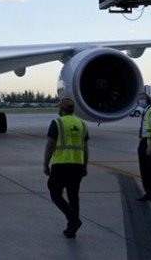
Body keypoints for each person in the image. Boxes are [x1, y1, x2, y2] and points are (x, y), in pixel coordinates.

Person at [43, 98, 89, 239]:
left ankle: (73, 220)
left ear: (61, 110)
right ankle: (72, 229)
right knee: (73, 196)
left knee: (55, 193)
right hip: (78, 166)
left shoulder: (57, 123)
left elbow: (50, 145)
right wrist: (85, 166)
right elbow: (86, 149)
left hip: (61, 165)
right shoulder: (82, 124)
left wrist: (46, 164)